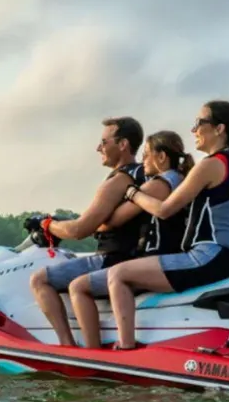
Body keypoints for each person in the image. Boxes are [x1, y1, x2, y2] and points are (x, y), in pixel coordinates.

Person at [107, 100, 229, 350]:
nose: (193, 130)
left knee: (118, 274)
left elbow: (164, 210)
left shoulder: (212, 164)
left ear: (219, 128)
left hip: (212, 257)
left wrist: (131, 194)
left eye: (198, 123)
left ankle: (125, 348)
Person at [68, 130, 194, 348]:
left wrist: (96, 221)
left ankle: (101, 350)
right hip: (167, 257)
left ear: (162, 157)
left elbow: (118, 217)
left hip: (158, 259)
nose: (142, 161)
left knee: (79, 286)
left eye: (146, 155)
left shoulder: (161, 183)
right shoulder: (181, 180)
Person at [27, 116, 146, 347]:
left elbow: (80, 229)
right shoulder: (144, 175)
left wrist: (46, 224)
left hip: (114, 258)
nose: (98, 148)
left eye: (104, 142)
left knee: (39, 279)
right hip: (135, 256)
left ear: (123, 144)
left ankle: (68, 346)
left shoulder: (119, 179)